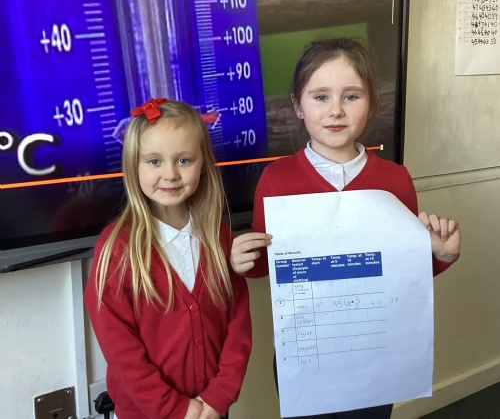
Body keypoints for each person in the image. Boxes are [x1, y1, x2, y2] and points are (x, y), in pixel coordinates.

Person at [230, 38, 461, 419]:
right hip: (306, 357)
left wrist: (441, 256)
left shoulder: (395, 180)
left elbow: (404, 274)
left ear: (370, 104)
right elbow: (267, 264)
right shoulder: (276, 179)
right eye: (320, 97)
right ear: (297, 106)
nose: (336, 110)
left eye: (351, 96)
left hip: (375, 357)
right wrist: (243, 261)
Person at [85, 99, 252, 419]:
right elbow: (121, 351)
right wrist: (176, 409)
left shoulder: (219, 238)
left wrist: (218, 398)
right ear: (133, 166)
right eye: (154, 161)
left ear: (203, 164)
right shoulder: (117, 249)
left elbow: (238, 326)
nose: (170, 174)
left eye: (184, 160)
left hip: (211, 411)